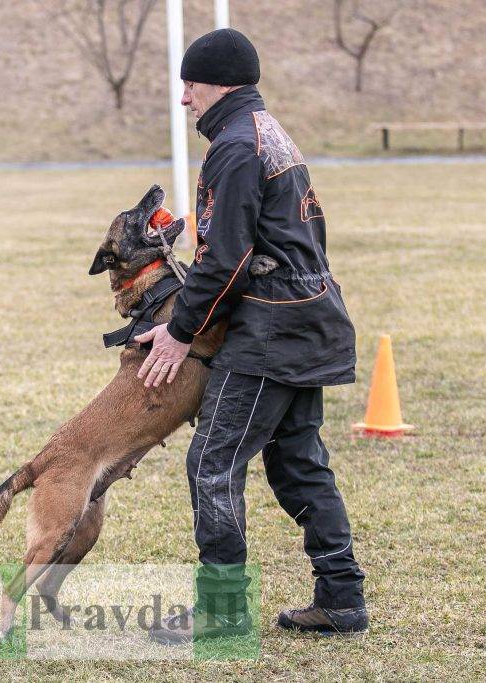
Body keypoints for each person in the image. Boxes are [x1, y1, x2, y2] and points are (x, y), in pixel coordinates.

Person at [138, 29, 368, 644]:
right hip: (313, 319)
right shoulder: (269, 134)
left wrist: (179, 332)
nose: (184, 98)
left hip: (271, 330)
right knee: (298, 464)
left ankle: (221, 614)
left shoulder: (236, 147)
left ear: (220, 84)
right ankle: (341, 599)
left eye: (190, 84)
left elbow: (227, 260)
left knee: (212, 462)